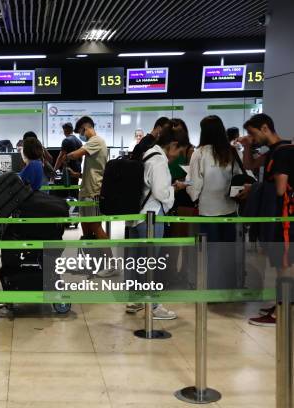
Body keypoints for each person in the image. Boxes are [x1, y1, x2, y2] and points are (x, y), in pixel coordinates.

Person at [128, 123, 191, 319]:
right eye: (178, 150)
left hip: (137, 216)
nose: (177, 155)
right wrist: (174, 189)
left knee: (139, 262)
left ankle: (137, 299)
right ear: (172, 144)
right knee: (151, 263)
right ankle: (153, 306)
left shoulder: (147, 154)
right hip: (152, 217)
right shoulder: (159, 162)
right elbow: (161, 193)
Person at [239, 114, 289, 326]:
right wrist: (247, 147)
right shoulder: (273, 153)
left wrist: (254, 189)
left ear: (265, 127)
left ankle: (281, 312)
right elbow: (250, 166)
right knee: (279, 263)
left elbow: (280, 188)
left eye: (253, 133)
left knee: (283, 265)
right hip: (275, 216)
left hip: (283, 218)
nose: (252, 137)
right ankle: (280, 305)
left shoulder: (284, 153)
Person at [183, 116, 242, 289]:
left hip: (208, 210)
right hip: (229, 208)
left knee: (209, 253)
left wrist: (187, 189)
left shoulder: (199, 153)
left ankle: (211, 288)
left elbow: (195, 183)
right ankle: (228, 288)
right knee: (228, 251)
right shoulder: (231, 151)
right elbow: (239, 177)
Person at [66, 117, 114, 274]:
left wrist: (65, 154)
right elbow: (94, 170)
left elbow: (76, 154)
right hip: (85, 191)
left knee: (96, 227)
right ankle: (92, 264)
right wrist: (77, 174)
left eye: (80, 132)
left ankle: (111, 264)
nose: (81, 136)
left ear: (85, 129)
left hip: (93, 192)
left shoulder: (96, 141)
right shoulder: (93, 143)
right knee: (86, 229)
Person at [54, 122, 82, 187]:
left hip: (69, 171)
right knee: (75, 188)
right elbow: (81, 159)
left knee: (66, 190)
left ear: (65, 130)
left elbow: (60, 157)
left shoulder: (66, 140)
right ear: (72, 130)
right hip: (77, 170)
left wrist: (54, 171)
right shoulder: (79, 141)